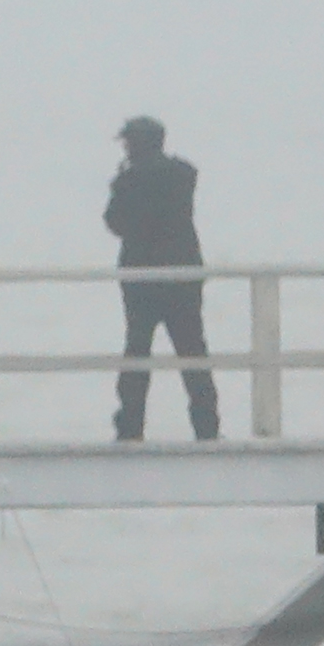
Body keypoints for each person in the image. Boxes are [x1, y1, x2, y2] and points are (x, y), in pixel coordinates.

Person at [105, 116, 219, 442]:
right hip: (183, 278)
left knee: (137, 353)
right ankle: (206, 425)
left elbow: (114, 222)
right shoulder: (183, 175)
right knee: (193, 351)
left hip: (142, 280)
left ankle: (130, 426)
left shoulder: (129, 180)